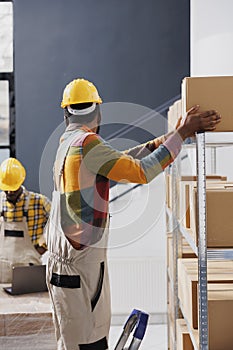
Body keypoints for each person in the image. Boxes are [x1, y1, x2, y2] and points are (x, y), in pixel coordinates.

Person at [46, 78, 221, 350]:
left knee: (74, 341)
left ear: (66, 112)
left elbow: (124, 161)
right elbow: (141, 171)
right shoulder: (89, 144)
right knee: (88, 343)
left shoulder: (68, 143)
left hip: (65, 261)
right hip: (80, 267)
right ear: (98, 112)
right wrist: (183, 135)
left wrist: (171, 137)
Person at [0, 157, 51, 283]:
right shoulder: (0, 202)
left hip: (30, 265)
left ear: (21, 181)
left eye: (13, 188)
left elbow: (58, 226)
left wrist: (43, 247)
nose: (9, 192)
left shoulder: (40, 202)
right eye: (6, 188)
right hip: (2, 267)